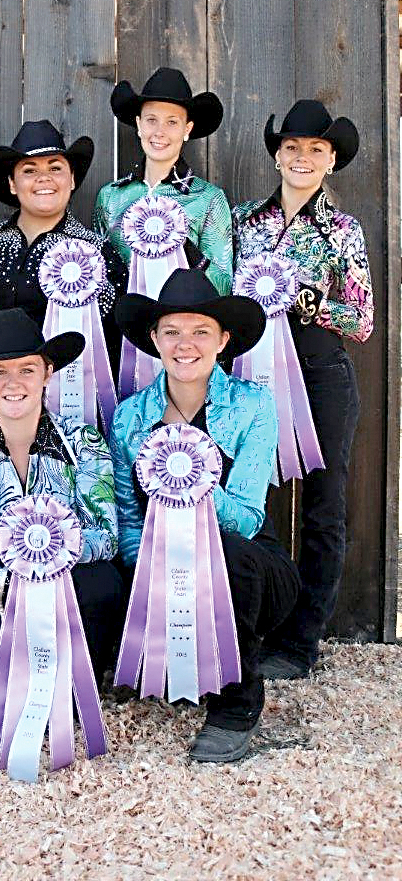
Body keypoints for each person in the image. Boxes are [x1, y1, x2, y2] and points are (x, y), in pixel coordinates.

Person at [110, 269, 300, 762]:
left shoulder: (254, 406)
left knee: (229, 552)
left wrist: (185, 476)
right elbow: (129, 522)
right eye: (171, 331)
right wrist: (151, 576)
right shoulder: (129, 416)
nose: (185, 344)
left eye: (200, 331)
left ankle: (236, 706)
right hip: (160, 567)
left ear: (223, 340)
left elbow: (245, 516)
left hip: (249, 565)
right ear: (154, 339)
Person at [233, 100, 374, 680]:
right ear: (277, 155)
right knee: (249, 499)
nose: (301, 157)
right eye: (291, 147)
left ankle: (302, 639)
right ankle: (255, 621)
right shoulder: (245, 222)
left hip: (319, 374)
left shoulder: (343, 230)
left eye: (315, 149)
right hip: (254, 373)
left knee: (323, 506)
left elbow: (361, 320)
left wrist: (307, 301)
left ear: (331, 160)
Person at [0, 307, 124, 695]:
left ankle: (74, 682)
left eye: (27, 369)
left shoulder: (85, 445)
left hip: (68, 582)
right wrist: (9, 581)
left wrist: (52, 563)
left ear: (47, 373)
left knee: (103, 585)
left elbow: (107, 535)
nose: (13, 382)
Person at [0, 119, 127, 345]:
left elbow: (115, 338)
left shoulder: (97, 253)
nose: (44, 178)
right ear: (12, 183)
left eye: (55, 168)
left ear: (71, 180)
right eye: (29, 170)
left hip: (71, 379)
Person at [93, 67, 232, 295]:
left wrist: (184, 247)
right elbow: (97, 279)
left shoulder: (209, 199)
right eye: (151, 120)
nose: (159, 132)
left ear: (187, 129)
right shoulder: (110, 197)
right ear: (139, 125)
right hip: (123, 324)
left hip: (182, 323)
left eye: (172, 122)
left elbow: (225, 286)